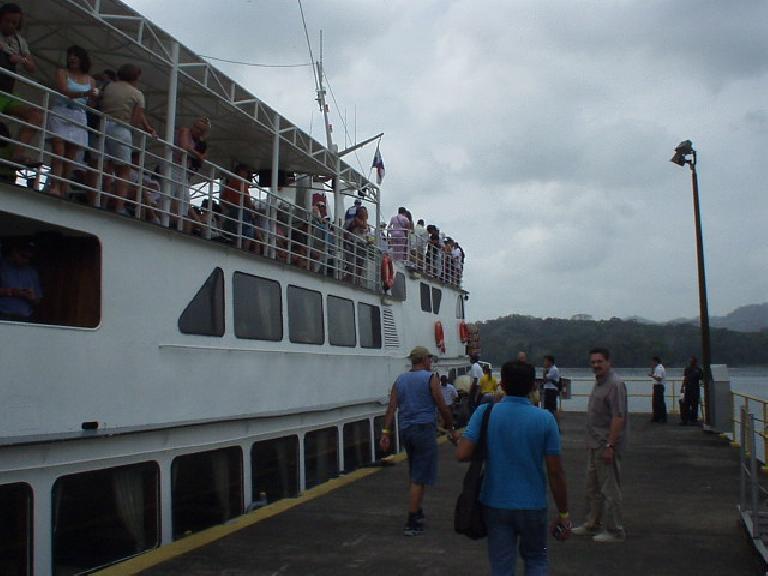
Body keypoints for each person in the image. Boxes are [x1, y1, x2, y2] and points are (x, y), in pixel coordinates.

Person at [457, 360, 571, 575]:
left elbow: (462, 453)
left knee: (501, 566)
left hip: (495, 504)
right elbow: (556, 472)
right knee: (538, 558)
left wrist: (463, 440)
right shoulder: (546, 419)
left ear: (503, 385)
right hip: (534, 508)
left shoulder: (485, 412)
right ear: (532, 387)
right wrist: (564, 513)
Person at [379, 346, 459, 536]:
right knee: (420, 475)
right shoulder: (430, 378)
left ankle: (418, 509)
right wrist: (451, 429)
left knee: (416, 471)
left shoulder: (400, 380)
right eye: (429, 359)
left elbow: (391, 408)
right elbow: (442, 405)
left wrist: (385, 433)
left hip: (406, 431)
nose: (431, 362)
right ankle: (412, 520)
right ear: (423, 360)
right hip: (423, 430)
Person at [572, 347, 628, 543]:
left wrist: (610, 446)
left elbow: (618, 417)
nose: (596, 365)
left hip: (606, 444)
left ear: (608, 362)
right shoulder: (599, 383)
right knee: (592, 487)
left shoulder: (615, 384)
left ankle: (615, 530)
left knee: (610, 488)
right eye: (593, 362)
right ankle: (592, 523)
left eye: (599, 362)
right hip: (594, 443)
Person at [99, 63, 157, 215]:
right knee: (123, 172)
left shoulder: (108, 87)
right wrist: (140, 128)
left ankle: (101, 201)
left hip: (103, 125)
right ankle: (119, 207)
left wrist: (147, 126)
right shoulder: (137, 94)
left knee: (106, 168)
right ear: (136, 77)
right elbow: (136, 118)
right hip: (121, 129)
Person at [46, 45, 97, 197]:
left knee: (70, 156)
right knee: (59, 151)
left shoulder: (91, 80)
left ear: (82, 59)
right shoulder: (62, 72)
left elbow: (89, 104)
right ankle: (54, 185)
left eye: (76, 55)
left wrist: (94, 98)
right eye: (70, 55)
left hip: (78, 115)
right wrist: (85, 93)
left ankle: (64, 186)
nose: (72, 58)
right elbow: (64, 91)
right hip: (61, 112)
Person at [0, 3, 42, 166]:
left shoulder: (19, 41)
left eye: (14, 23)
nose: (10, 25)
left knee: (36, 116)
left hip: (6, 91)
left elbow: (32, 67)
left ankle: (18, 153)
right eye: (7, 21)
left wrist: (22, 59)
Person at [170, 116, 210, 232]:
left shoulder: (198, 141)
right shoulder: (185, 131)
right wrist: (198, 155)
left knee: (185, 198)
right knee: (170, 193)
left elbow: (203, 154)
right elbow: (184, 146)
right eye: (197, 128)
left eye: (201, 130)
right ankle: (168, 220)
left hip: (182, 170)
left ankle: (181, 224)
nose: (197, 131)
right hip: (173, 165)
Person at [0, 239, 41, 321]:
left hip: (26, 317)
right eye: (23, 256)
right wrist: (12, 292)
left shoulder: (32, 272)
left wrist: (32, 298)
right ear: (14, 252)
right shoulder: (2, 267)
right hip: (3, 315)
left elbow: (38, 300)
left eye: (29, 258)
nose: (26, 260)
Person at [681, 356, 702, 426]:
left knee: (695, 406)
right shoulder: (687, 369)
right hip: (688, 389)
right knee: (686, 405)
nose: (690, 362)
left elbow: (701, 378)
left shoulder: (699, 369)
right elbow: (685, 378)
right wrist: (682, 387)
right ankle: (685, 420)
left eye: (691, 360)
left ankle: (694, 420)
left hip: (695, 389)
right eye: (690, 361)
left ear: (695, 361)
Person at [650, 356, 667, 423]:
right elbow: (654, 374)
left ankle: (662, 418)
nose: (652, 363)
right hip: (658, 386)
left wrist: (653, 376)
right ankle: (657, 417)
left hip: (659, 386)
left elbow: (659, 379)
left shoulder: (659, 368)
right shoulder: (658, 368)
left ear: (656, 361)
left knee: (659, 403)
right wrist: (652, 369)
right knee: (656, 403)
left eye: (653, 361)